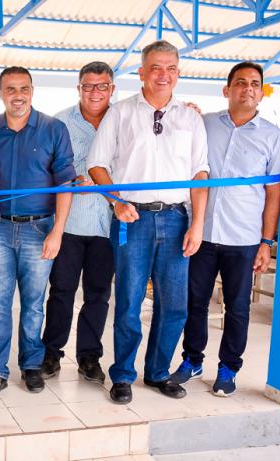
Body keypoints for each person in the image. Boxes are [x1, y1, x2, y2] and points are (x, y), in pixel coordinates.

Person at [87, 40, 209, 404]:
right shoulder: (120, 113)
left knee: (174, 305)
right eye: (156, 67)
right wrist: (117, 201)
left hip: (176, 219)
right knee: (128, 302)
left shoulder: (190, 118)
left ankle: (157, 372)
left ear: (178, 73)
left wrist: (197, 224)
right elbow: (96, 165)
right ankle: (123, 375)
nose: (163, 75)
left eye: (171, 68)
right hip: (132, 219)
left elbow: (200, 174)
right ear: (142, 72)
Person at [170, 62, 280, 397]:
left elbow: (273, 193)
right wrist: (186, 111)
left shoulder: (273, 138)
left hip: (244, 238)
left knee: (238, 308)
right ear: (227, 90)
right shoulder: (205, 124)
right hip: (202, 234)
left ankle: (228, 368)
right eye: (240, 82)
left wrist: (266, 242)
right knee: (195, 302)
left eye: (255, 84)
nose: (248, 88)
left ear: (261, 92)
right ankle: (192, 360)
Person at [0, 66, 76, 401]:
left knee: (33, 304)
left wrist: (57, 231)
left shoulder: (54, 129)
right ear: (0, 93)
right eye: (11, 89)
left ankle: (31, 365)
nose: (18, 95)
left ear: (32, 91)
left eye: (24, 88)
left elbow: (65, 184)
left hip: (39, 228)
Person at [40, 62, 115, 384]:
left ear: (112, 89)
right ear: (79, 88)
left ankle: (89, 357)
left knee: (98, 294)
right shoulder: (59, 123)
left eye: (102, 86)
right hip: (68, 224)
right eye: (88, 86)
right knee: (61, 292)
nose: (95, 92)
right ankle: (51, 353)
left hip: (109, 224)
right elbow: (45, 170)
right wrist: (70, 181)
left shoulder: (123, 119)